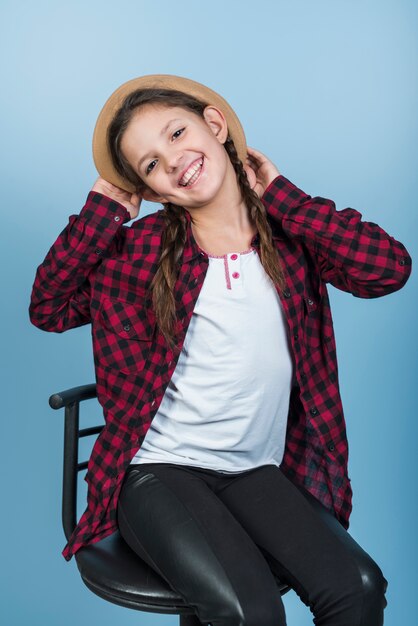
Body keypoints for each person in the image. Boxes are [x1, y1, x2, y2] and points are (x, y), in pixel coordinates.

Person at [29, 74, 412, 625]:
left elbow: (387, 269)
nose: (174, 160)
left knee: (357, 586)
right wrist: (101, 214)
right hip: (158, 470)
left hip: (253, 470)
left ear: (215, 124)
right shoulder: (137, 251)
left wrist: (284, 197)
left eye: (177, 133)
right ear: (154, 191)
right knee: (246, 608)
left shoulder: (292, 240)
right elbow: (48, 308)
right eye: (151, 165)